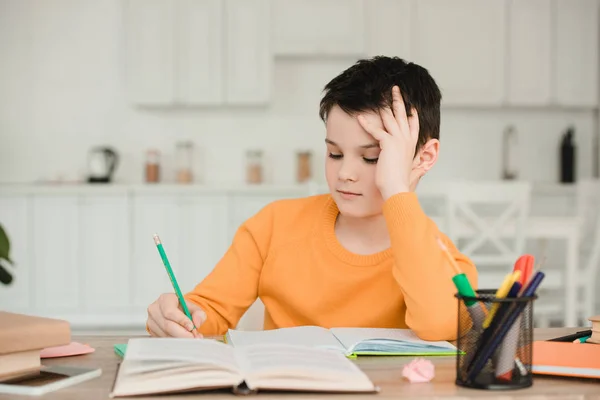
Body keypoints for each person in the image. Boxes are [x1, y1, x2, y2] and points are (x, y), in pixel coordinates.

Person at [146, 56, 477, 341]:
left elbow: (440, 323)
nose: (345, 172)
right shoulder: (273, 225)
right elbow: (212, 309)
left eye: (373, 158)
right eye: (334, 153)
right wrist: (184, 316)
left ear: (425, 157)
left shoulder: (438, 255)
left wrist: (395, 188)